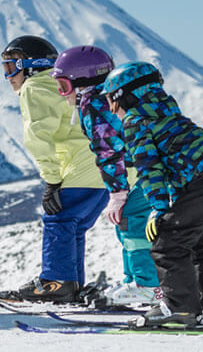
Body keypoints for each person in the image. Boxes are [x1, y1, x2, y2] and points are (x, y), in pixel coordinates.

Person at [102, 61, 203, 327]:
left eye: (111, 102)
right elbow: (178, 167)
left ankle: (179, 308)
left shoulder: (136, 121)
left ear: (125, 96)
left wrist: (159, 210)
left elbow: (149, 169)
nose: (112, 110)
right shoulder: (168, 115)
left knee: (168, 242)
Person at [0, 35, 108, 303]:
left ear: (29, 65)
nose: (8, 77)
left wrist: (52, 181)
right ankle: (71, 285)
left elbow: (38, 137)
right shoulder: (62, 85)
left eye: (11, 68)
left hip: (77, 167)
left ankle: (55, 282)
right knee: (73, 226)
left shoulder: (34, 88)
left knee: (58, 220)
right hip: (104, 171)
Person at [50, 45, 160, 305]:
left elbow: (108, 150)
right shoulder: (107, 98)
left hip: (143, 174)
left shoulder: (94, 103)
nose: (60, 93)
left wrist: (117, 192)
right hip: (143, 172)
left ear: (82, 82)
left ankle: (149, 285)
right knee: (127, 226)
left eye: (63, 86)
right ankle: (135, 281)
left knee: (133, 223)